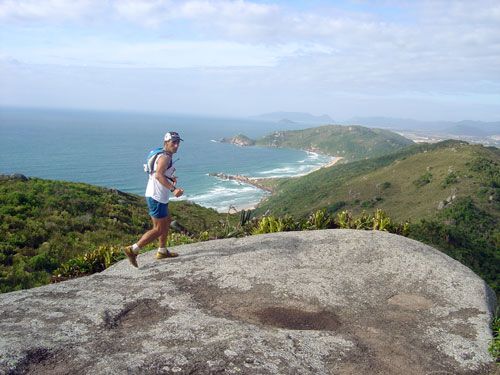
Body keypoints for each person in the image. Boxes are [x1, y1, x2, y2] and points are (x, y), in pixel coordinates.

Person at [123, 131, 184, 268]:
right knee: (158, 229)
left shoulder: (161, 154)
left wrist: (170, 177)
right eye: (173, 142)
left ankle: (162, 251)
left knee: (167, 220)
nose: (176, 145)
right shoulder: (165, 158)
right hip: (156, 196)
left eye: (178, 142)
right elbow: (158, 175)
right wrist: (174, 189)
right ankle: (133, 250)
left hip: (157, 195)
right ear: (166, 143)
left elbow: (158, 173)